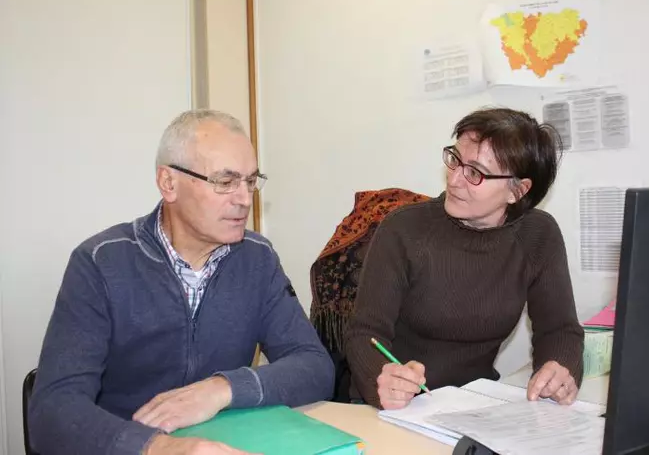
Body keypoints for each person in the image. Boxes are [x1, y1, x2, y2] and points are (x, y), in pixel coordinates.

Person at [29, 109, 335, 455]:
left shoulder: (256, 259)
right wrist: (160, 448)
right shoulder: (101, 262)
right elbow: (51, 412)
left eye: (251, 181)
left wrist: (222, 389)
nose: (245, 199)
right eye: (225, 182)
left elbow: (315, 367)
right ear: (168, 183)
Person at [344, 107, 584, 410]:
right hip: (399, 407)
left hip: (473, 406)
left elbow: (559, 329)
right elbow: (365, 333)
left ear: (518, 190)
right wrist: (381, 377)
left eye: (475, 172)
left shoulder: (539, 235)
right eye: (455, 159)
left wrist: (559, 368)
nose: (455, 180)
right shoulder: (404, 230)